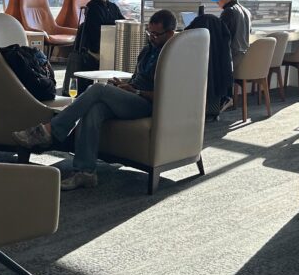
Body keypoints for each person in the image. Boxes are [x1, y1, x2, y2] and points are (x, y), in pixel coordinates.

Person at [13, 10, 177, 190]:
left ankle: (51, 130)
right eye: (149, 32)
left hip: (146, 104)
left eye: (156, 34)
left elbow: (166, 94)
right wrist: (125, 85)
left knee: (98, 89)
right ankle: (85, 172)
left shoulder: (172, 57)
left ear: (170, 33)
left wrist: (136, 90)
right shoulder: (147, 50)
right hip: (133, 96)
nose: (152, 37)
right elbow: (137, 78)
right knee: (94, 109)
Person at [217, 0, 251, 113]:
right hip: (245, 57)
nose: (215, 1)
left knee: (208, 63)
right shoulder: (246, 11)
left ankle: (224, 98)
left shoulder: (229, 11)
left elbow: (219, 34)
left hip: (234, 57)